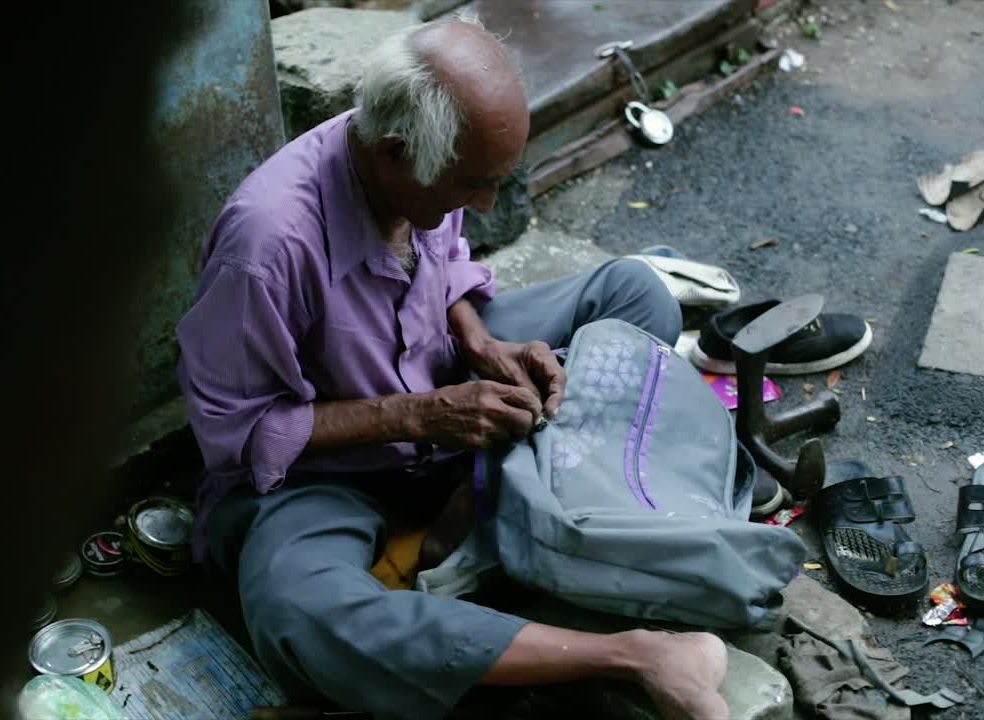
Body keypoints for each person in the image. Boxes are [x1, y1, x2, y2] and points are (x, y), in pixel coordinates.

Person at [175, 15, 729, 720]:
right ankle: (636, 655)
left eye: (496, 181)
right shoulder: (265, 245)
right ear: (394, 154)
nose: (487, 203)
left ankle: (487, 506)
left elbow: (444, 266)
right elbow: (238, 432)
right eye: (473, 185)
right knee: (298, 615)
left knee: (636, 293)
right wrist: (421, 416)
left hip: (439, 377)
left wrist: (480, 344)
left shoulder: (415, 157)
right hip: (328, 476)